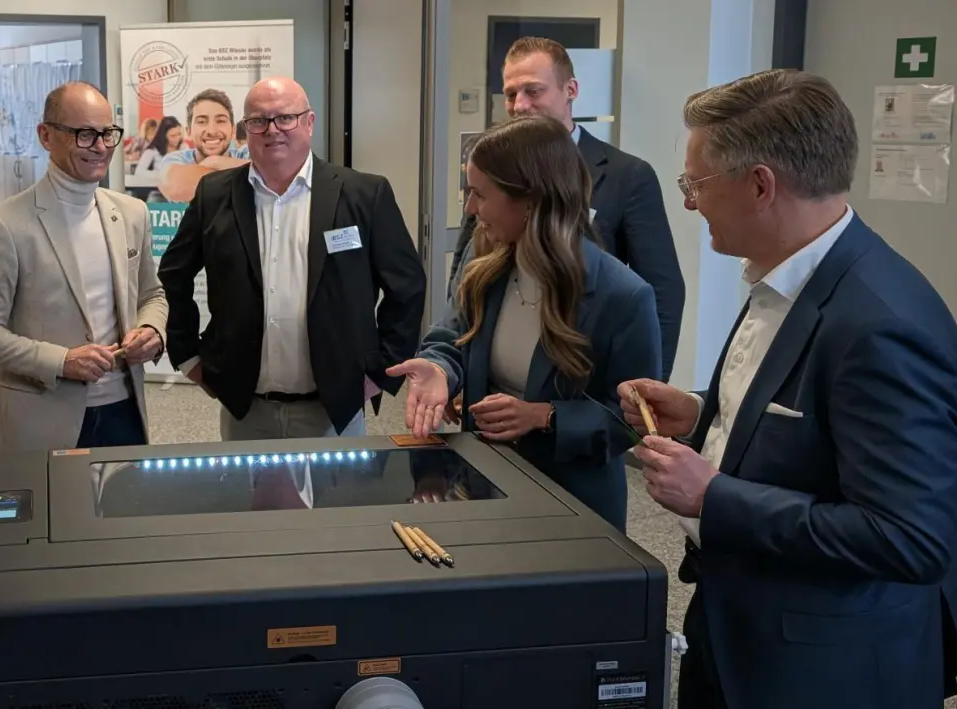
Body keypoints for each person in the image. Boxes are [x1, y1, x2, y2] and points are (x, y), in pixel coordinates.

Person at [622, 69, 957, 709]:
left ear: (760, 184)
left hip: (807, 676)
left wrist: (714, 496)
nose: (690, 203)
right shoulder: (787, 277)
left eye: (696, 182)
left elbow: (911, 537)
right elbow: (807, 429)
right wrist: (704, 414)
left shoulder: (879, 317)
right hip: (736, 637)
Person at [388, 115, 659, 535]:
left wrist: (544, 416)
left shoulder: (624, 297)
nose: (470, 209)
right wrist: (439, 368)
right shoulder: (485, 270)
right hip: (483, 487)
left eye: (479, 194)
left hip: (572, 509)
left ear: (530, 199)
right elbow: (450, 338)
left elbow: (629, 422)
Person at [158, 76, 426, 441]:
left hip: (334, 408)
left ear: (309, 122)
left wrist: (380, 372)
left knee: (339, 498)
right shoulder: (214, 195)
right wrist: (188, 356)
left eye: (285, 118)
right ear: (246, 129)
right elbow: (173, 274)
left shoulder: (364, 194)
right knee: (248, 497)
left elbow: (406, 286)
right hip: (245, 407)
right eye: (258, 120)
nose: (272, 130)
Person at [452, 37, 683, 379]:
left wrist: (647, 391)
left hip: (579, 368)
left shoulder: (627, 175)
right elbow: (466, 267)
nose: (520, 105)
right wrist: (459, 366)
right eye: (512, 94)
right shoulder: (495, 166)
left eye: (534, 91)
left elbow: (662, 291)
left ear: (570, 90)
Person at [0, 82, 168, 451]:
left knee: (122, 507)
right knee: (52, 510)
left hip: (125, 409)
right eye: (84, 134)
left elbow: (151, 293)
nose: (101, 147)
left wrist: (152, 329)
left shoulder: (132, 213)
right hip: (42, 418)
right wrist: (61, 361)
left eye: (107, 133)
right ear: (46, 135)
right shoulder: (4, 223)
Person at [154, 88, 252, 203]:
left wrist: (215, 162)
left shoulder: (247, 153)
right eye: (201, 122)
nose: (211, 131)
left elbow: (271, 176)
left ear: (233, 130)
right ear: (189, 131)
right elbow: (177, 188)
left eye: (220, 121)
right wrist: (245, 174)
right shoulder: (175, 159)